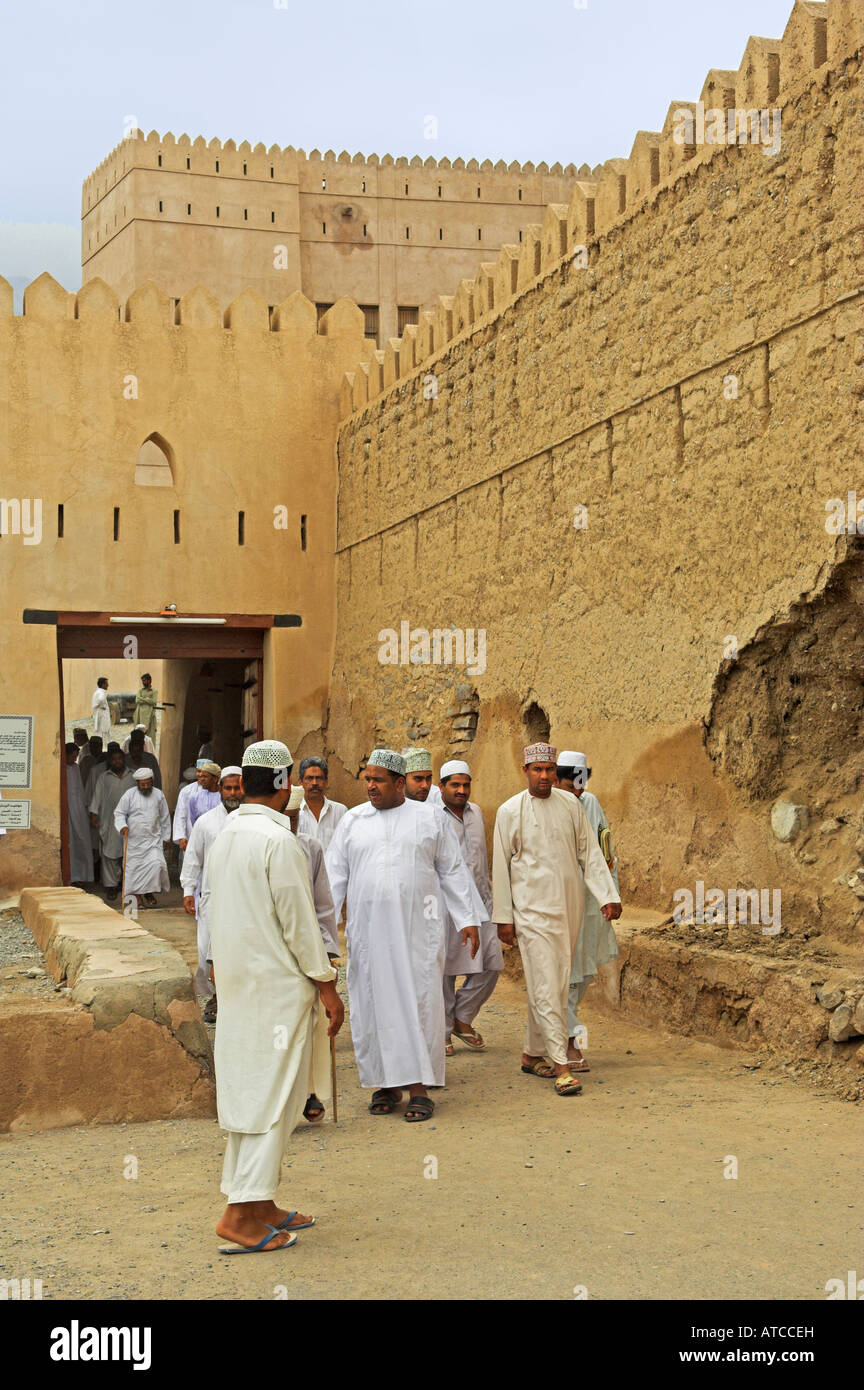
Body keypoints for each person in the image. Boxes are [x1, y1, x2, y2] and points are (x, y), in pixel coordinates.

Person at [203, 739, 344, 1255]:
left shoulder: (226, 839)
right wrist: (327, 985)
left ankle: (258, 1202)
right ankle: (239, 1217)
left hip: (241, 988)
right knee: (274, 1098)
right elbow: (301, 926)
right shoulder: (279, 843)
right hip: (277, 992)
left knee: (252, 1094)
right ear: (284, 783)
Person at [325, 749, 479, 1123]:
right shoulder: (353, 821)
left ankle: (420, 1088)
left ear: (398, 783)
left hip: (417, 932)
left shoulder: (429, 819)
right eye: (367, 780)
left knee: (420, 1003)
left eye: (378, 780)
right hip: (368, 933)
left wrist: (467, 918)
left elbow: (453, 870)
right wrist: (323, 934)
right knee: (373, 1003)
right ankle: (384, 1083)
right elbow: (333, 879)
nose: (370, 787)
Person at [492, 743, 621, 1097]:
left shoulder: (571, 806)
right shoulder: (509, 811)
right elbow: (500, 869)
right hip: (531, 913)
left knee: (555, 982)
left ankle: (532, 1054)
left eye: (550, 769)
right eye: (537, 770)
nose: (545, 776)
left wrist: (608, 895)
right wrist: (503, 917)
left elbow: (590, 854)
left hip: (569, 909)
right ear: (526, 771)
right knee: (548, 982)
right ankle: (561, 1064)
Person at [556, 750, 621, 1073]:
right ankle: (569, 1042)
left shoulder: (590, 804)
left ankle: (552, 1038)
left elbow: (607, 853)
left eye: (582, 784)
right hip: (556, 903)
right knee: (563, 975)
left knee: (582, 973)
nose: (578, 791)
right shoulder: (546, 808)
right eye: (571, 784)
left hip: (590, 901)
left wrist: (612, 894)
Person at [439, 760, 502, 1055]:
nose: (462, 790)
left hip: (481, 904)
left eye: (466, 785)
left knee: (492, 962)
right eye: (455, 785)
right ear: (442, 787)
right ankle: (443, 1031)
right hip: (446, 906)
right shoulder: (433, 816)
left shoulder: (476, 813)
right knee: (446, 970)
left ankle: (463, 1017)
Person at [286, 783, 341, 1124]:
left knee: (309, 1023)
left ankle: (308, 1095)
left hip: (310, 950)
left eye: (293, 818)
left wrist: (330, 951)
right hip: (275, 952)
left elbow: (323, 906)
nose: (288, 824)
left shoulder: (310, 848)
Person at [182, 766, 243, 1024]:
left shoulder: (250, 819)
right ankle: (216, 996)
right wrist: (187, 889)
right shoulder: (206, 822)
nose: (232, 793)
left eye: (237, 788)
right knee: (207, 950)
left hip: (243, 898)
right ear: (219, 789)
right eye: (227, 788)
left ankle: (237, 999)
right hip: (211, 898)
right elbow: (193, 857)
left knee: (238, 949)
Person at [114, 768, 171, 909]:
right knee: (133, 872)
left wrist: (166, 838)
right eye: (142, 784)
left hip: (153, 840)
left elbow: (165, 817)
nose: (145, 787)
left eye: (148, 784)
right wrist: (122, 826)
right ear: (137, 783)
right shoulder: (129, 795)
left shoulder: (159, 795)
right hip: (134, 841)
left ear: (152, 781)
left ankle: (148, 892)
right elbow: (119, 813)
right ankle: (137, 900)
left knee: (157, 865)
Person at [89, 748, 134, 900]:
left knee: (129, 853)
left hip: (130, 821)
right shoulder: (104, 777)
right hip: (109, 821)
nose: (117, 762)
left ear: (124, 760)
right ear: (110, 761)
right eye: (113, 759)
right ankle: (111, 886)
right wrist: (94, 814)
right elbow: (97, 796)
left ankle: (127, 885)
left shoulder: (133, 776)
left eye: (119, 759)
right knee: (110, 854)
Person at [297, 756, 347, 852]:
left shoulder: (340, 811)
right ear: (300, 782)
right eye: (309, 778)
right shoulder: (294, 812)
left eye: (319, 778)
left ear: (326, 782)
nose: (315, 783)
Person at [65, 742, 94, 885]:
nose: (74, 759)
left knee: (82, 840)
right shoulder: (61, 769)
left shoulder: (75, 768)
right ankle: (71, 876)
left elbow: (80, 791)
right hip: (67, 810)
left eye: (76, 756)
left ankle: (82, 875)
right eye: (72, 756)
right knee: (70, 842)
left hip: (78, 810)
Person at [172, 763, 204, 852]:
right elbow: (180, 814)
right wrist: (181, 836)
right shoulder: (186, 790)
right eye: (199, 772)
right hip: (190, 834)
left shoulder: (217, 791)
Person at [186, 761, 221, 828]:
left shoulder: (224, 797)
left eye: (205, 776)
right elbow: (194, 821)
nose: (201, 779)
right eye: (201, 776)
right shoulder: (195, 798)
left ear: (215, 779)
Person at [134, 674, 159, 740]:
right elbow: (137, 700)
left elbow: (153, 701)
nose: (143, 682)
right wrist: (148, 699)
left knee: (150, 736)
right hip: (140, 716)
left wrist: (143, 699)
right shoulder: (140, 690)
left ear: (149, 680)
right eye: (142, 681)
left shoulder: (154, 691)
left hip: (150, 716)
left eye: (144, 680)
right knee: (139, 734)